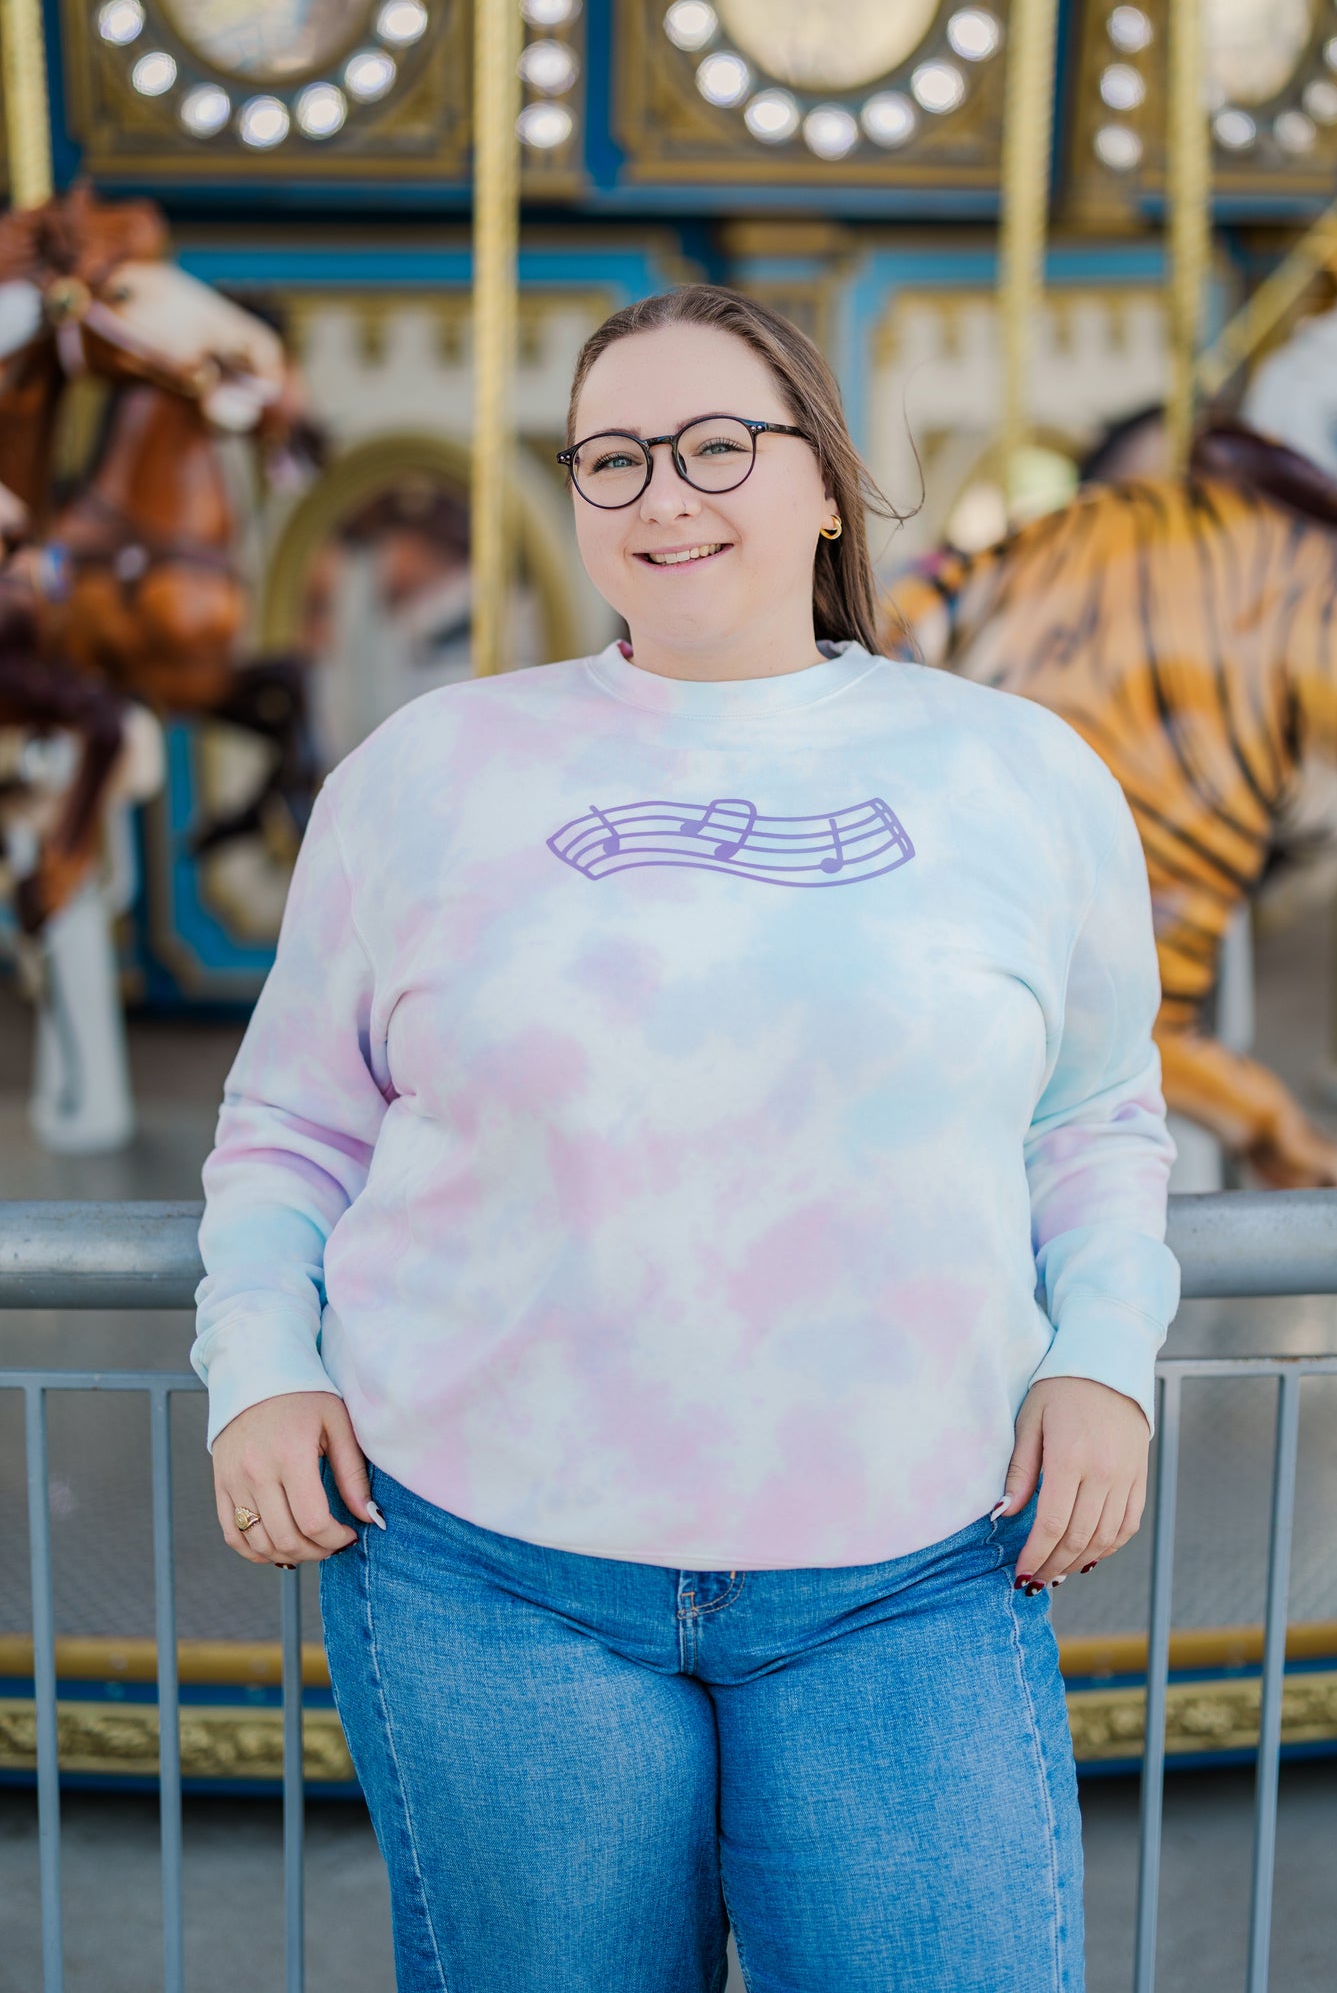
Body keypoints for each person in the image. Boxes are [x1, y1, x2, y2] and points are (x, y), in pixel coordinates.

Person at [193, 284, 1179, 1993]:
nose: (664, 494)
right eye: (613, 458)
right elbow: (288, 1122)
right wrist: (261, 1363)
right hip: (489, 1560)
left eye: (718, 445)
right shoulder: (428, 772)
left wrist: (1104, 1359)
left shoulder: (1015, 774)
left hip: (913, 1561)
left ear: (822, 484)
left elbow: (1092, 1114)